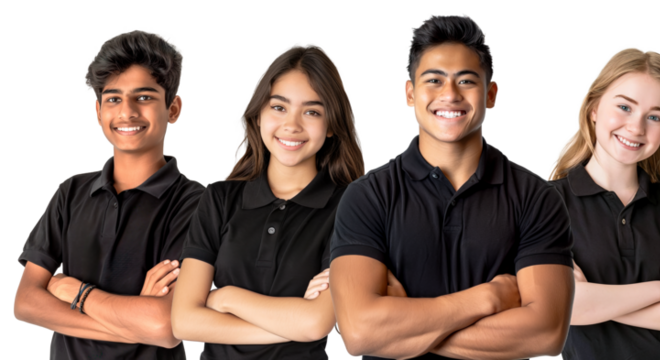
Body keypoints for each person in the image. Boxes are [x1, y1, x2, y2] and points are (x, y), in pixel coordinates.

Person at [327, 13, 574, 360]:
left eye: (466, 81)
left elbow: (546, 332)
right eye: (434, 80)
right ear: (409, 92)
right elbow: (359, 333)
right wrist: (487, 299)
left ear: (491, 94)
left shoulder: (536, 198)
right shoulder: (367, 197)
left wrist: (403, 327)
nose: (450, 95)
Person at [11, 28, 201, 359]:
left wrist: (72, 290)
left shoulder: (197, 204)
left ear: (174, 108)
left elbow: (165, 325)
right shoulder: (72, 192)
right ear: (98, 111)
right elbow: (25, 303)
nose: (127, 112)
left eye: (144, 97)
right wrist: (133, 321)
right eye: (114, 99)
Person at [170, 42, 365, 359]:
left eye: (312, 111)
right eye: (279, 107)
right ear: (259, 114)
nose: (293, 124)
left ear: (331, 125)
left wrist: (225, 298)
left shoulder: (350, 208)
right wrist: (292, 324)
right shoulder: (219, 199)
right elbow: (184, 321)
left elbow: (316, 322)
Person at [546, 46, 660, 359]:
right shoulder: (548, 203)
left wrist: (596, 304)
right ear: (593, 108)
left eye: (655, 116)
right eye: (625, 107)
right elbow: (562, 305)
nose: (636, 127)